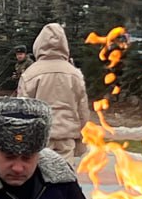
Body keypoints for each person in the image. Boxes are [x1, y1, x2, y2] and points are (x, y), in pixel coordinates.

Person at [17, 22, 89, 163]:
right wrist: (80, 137)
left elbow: (22, 110)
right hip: (66, 137)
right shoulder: (74, 74)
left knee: (40, 173)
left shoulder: (31, 73)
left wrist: (22, 138)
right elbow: (83, 111)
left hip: (39, 137)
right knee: (64, 172)